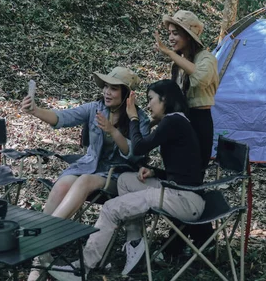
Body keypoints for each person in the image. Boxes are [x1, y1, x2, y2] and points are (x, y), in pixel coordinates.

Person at [47, 80, 205, 281]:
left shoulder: (173, 121)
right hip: (179, 190)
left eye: (151, 100)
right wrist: (155, 172)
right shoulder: (178, 121)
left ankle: (83, 269)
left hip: (183, 198)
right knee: (125, 180)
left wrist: (133, 117)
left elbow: (138, 148)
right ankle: (135, 239)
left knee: (111, 208)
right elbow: (184, 169)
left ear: (165, 99)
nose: (148, 105)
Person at [21, 67, 150, 281]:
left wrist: (113, 131)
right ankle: (40, 259)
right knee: (63, 184)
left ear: (126, 93)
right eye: (106, 87)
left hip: (118, 173)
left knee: (84, 181)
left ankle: (42, 237)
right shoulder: (95, 108)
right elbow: (62, 118)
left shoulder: (139, 118)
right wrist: (35, 110)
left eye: (114, 88)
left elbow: (136, 154)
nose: (107, 92)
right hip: (89, 165)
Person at [154, 9, 219, 251]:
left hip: (200, 122)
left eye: (176, 34)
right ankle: (187, 237)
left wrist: (170, 53)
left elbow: (201, 78)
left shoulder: (206, 58)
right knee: (178, 180)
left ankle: (195, 238)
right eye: (169, 34)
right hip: (182, 122)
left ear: (189, 36)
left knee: (191, 181)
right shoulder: (179, 62)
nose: (171, 38)